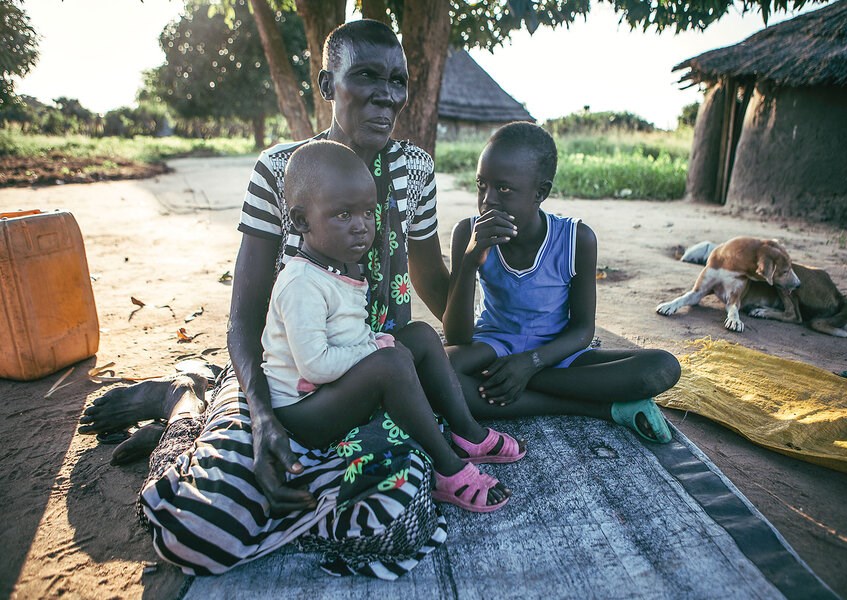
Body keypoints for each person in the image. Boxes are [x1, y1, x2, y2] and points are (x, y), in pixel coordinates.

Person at [77, 19, 474, 579]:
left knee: (397, 521)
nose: (387, 94)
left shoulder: (416, 170)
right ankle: (185, 405)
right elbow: (244, 313)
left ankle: (237, 451)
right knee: (196, 531)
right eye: (366, 75)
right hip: (284, 384)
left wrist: (476, 261)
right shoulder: (280, 171)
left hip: (377, 388)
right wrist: (262, 418)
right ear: (326, 84)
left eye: (398, 81)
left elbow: (434, 290)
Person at [263, 140, 522, 513]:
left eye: (368, 214)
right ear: (302, 221)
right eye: (343, 215)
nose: (361, 227)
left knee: (418, 334)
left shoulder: (335, 265)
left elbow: (351, 340)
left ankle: (468, 433)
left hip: (335, 385)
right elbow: (315, 366)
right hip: (305, 411)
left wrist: (375, 346)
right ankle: (447, 468)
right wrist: (375, 349)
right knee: (392, 360)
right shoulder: (301, 283)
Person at [442, 122, 681, 443]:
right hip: (494, 347)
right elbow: (457, 336)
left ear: (540, 192)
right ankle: (601, 408)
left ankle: (523, 384)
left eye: (504, 189)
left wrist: (530, 365)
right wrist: (471, 258)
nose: (488, 200)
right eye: (481, 185)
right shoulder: (467, 233)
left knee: (661, 367)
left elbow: (583, 330)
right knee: (436, 374)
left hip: (558, 354)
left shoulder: (576, 239)